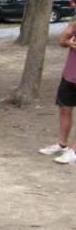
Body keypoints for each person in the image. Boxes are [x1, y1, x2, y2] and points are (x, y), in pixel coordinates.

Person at [39, 20, 76, 164]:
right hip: (69, 77)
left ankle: (74, 151)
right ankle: (62, 144)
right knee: (64, 110)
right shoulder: (75, 23)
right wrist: (68, 42)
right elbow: (62, 40)